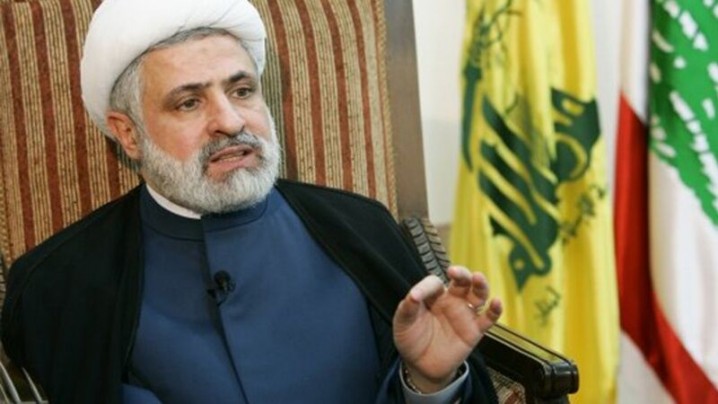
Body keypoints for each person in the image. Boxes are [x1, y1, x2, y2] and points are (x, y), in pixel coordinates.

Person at [0, 0, 503, 402]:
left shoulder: (361, 228)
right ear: (129, 134)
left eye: (242, 91)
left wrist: (428, 382)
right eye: (189, 102)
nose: (231, 121)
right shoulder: (57, 282)